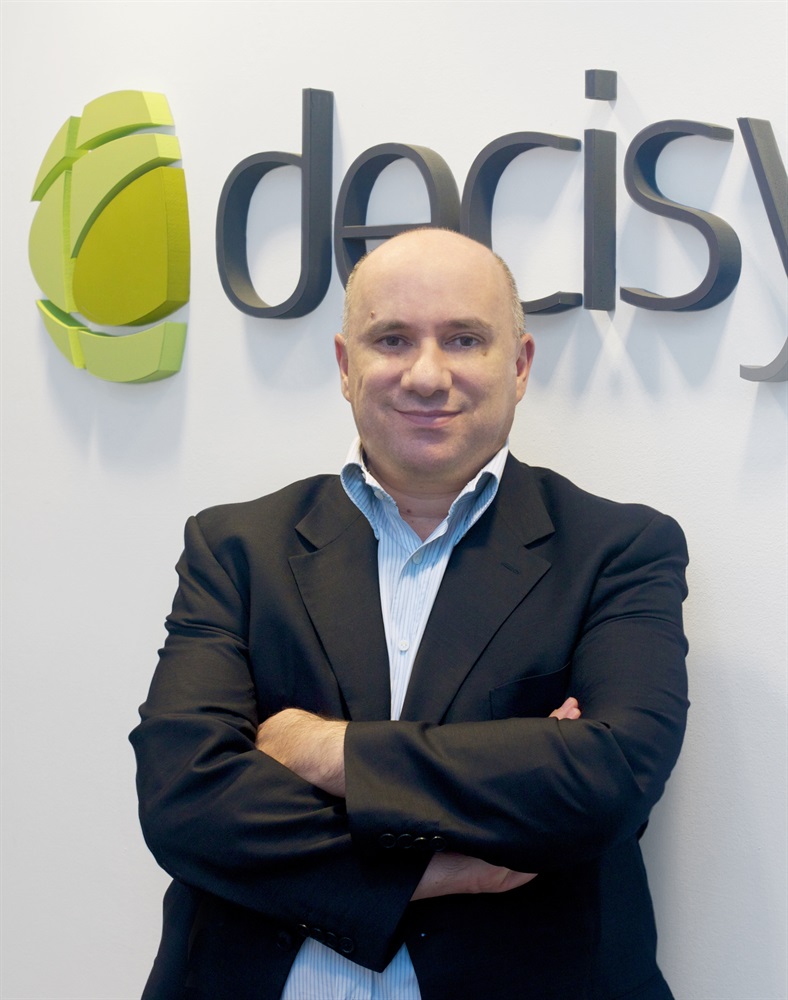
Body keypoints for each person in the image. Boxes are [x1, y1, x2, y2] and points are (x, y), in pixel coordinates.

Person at [130, 228, 689, 1000]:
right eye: (392, 339)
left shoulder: (617, 551)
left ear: (520, 365)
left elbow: (610, 780)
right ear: (345, 365)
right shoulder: (236, 549)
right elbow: (184, 800)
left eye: (464, 339)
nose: (428, 375)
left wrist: (322, 750)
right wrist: (440, 867)